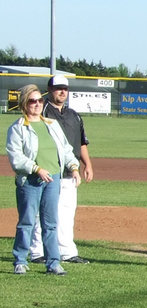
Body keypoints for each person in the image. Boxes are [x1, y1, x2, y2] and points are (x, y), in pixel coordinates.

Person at [5, 84, 80, 276]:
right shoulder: (18, 128)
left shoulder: (51, 124)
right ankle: (20, 260)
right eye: (33, 101)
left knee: (50, 223)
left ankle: (53, 263)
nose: (37, 104)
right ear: (24, 104)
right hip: (30, 181)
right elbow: (16, 157)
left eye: (40, 100)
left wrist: (74, 167)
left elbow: (65, 149)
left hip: (53, 179)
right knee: (27, 222)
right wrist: (36, 169)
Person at [31, 75, 93, 265]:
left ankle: (67, 251)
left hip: (69, 172)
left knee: (67, 213)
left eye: (65, 88)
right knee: (42, 212)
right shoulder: (43, 112)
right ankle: (37, 252)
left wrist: (87, 164)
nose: (62, 92)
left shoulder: (74, 115)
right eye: (58, 88)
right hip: (48, 170)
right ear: (49, 90)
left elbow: (81, 143)